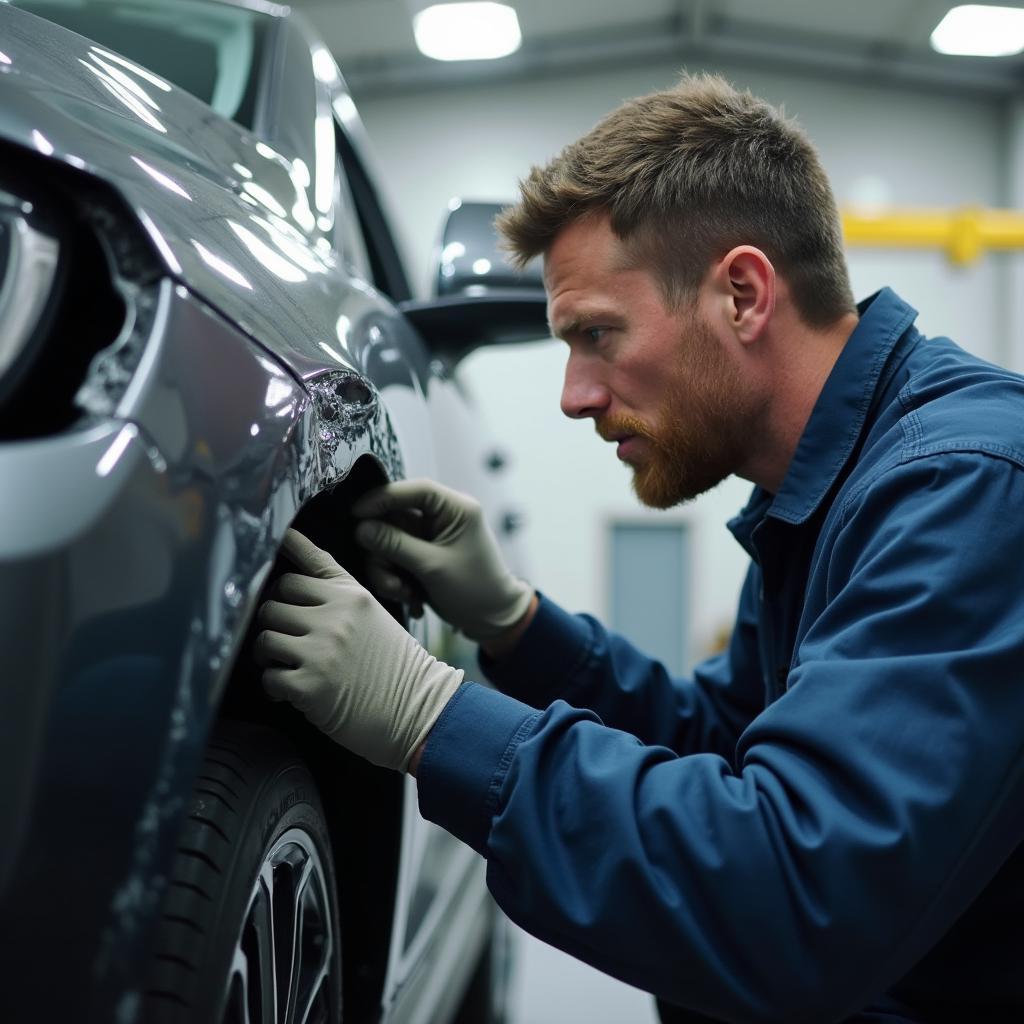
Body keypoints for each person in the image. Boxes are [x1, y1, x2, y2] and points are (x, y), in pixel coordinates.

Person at [254, 74, 1024, 1022]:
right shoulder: (827, 491)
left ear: (741, 294)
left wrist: (430, 718)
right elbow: (728, 745)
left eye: (598, 336)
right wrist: (519, 626)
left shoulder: (966, 488)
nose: (574, 395)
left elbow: (794, 894)